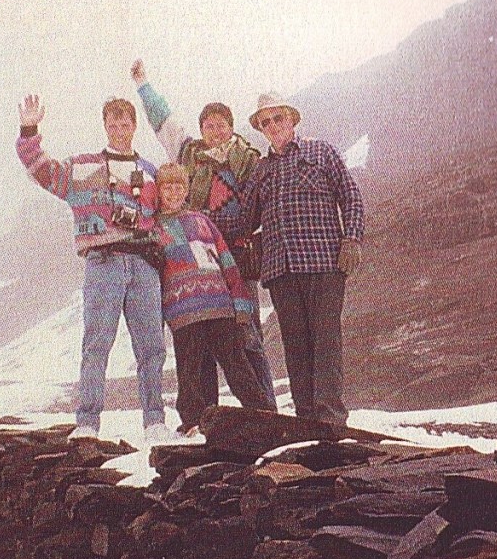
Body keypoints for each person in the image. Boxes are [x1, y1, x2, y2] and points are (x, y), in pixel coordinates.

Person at [16, 93, 172, 443]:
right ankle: (87, 422)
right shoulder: (84, 166)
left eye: (125, 122)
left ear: (134, 126)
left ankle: (155, 422)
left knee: (152, 346)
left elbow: (170, 214)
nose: (119, 128)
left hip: (144, 265)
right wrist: (29, 130)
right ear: (105, 126)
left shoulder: (150, 173)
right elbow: (43, 171)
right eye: (112, 123)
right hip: (103, 262)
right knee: (97, 343)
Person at [131, 59, 278, 411]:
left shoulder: (251, 160)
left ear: (231, 127)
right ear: (201, 130)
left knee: (247, 335)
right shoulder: (189, 155)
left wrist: (229, 226)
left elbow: (263, 206)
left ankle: (265, 409)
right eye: (208, 126)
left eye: (221, 125)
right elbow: (164, 122)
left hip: (236, 255)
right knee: (203, 340)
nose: (215, 131)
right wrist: (143, 86)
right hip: (196, 257)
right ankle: (207, 414)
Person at [237, 93, 364, 425]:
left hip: (324, 262)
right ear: (260, 129)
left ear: (292, 119)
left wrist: (352, 238)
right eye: (265, 122)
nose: (272, 126)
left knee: (325, 340)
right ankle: (306, 418)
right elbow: (245, 220)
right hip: (281, 270)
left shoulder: (320, 152)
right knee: (295, 346)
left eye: (278, 118)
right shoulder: (260, 170)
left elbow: (350, 195)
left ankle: (330, 418)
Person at [154, 163, 273, 435]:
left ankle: (263, 414)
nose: (173, 192)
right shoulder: (154, 229)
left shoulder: (203, 221)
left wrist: (240, 301)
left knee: (237, 364)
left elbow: (226, 259)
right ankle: (194, 422)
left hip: (219, 306)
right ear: (158, 191)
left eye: (179, 186)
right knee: (190, 369)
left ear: (187, 190)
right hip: (183, 312)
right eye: (167, 187)